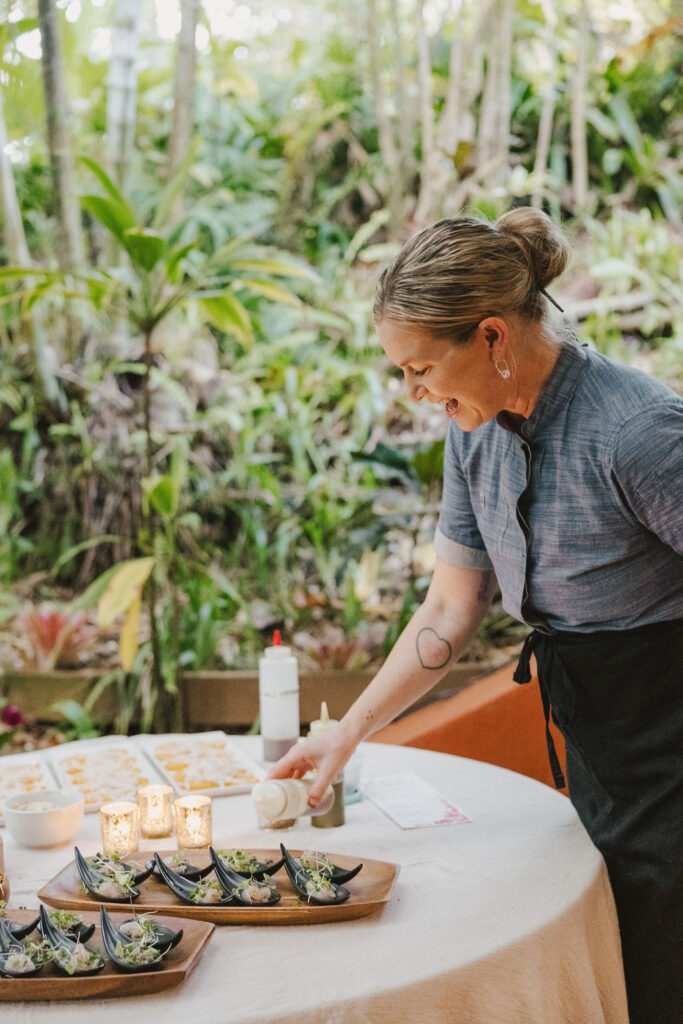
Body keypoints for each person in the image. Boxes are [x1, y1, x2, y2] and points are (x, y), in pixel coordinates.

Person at [268, 208, 683, 1024]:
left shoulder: (635, 434)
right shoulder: (475, 430)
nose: (416, 394)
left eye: (420, 369)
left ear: (492, 337)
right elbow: (451, 608)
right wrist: (346, 732)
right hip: (597, 744)